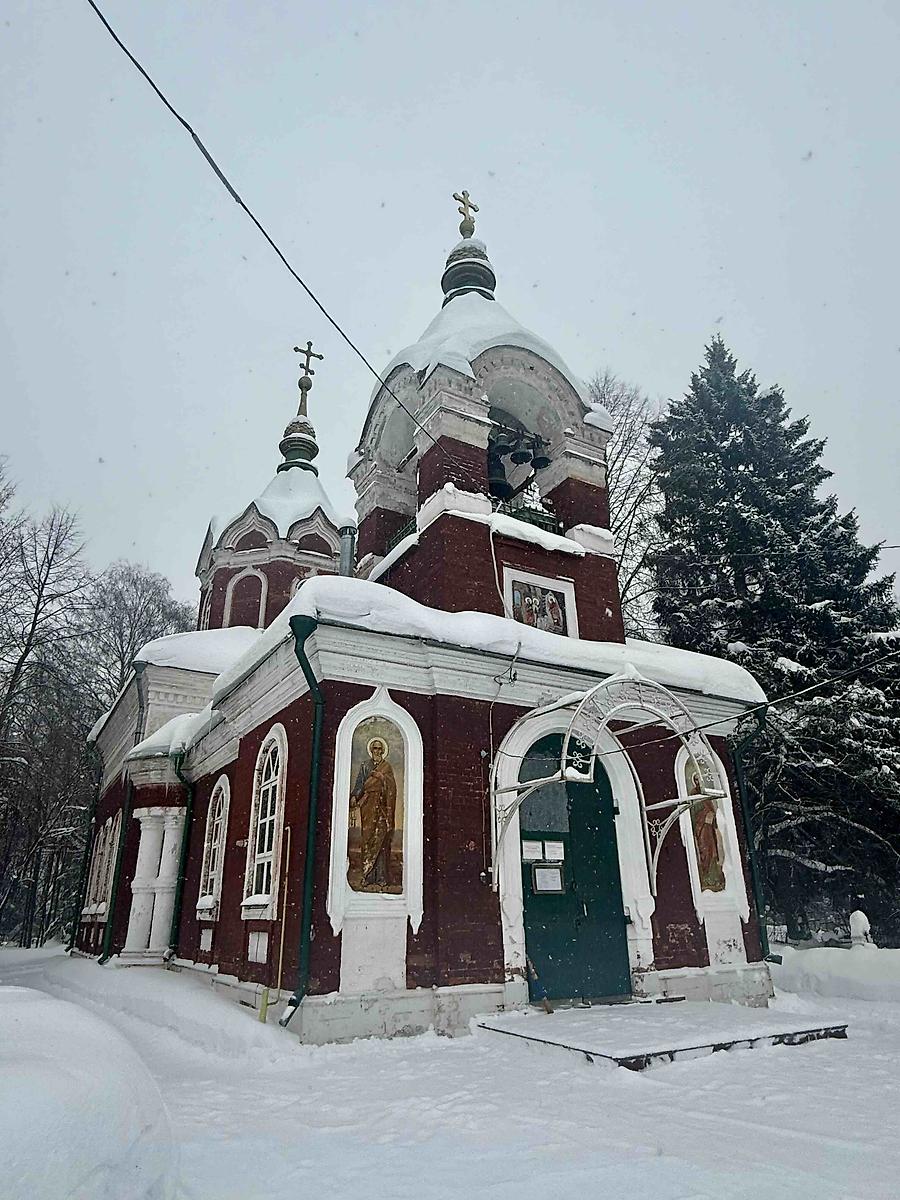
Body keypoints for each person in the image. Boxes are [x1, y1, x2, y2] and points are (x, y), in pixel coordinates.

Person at [349, 737, 397, 890]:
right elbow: (359, 785)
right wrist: (354, 797)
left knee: (381, 841)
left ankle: (382, 878)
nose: (376, 751)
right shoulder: (365, 766)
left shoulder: (386, 767)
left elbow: (392, 787)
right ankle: (368, 876)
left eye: (379, 748)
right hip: (368, 806)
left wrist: (383, 778)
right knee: (368, 839)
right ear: (371, 750)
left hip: (382, 806)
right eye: (374, 748)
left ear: (382, 751)